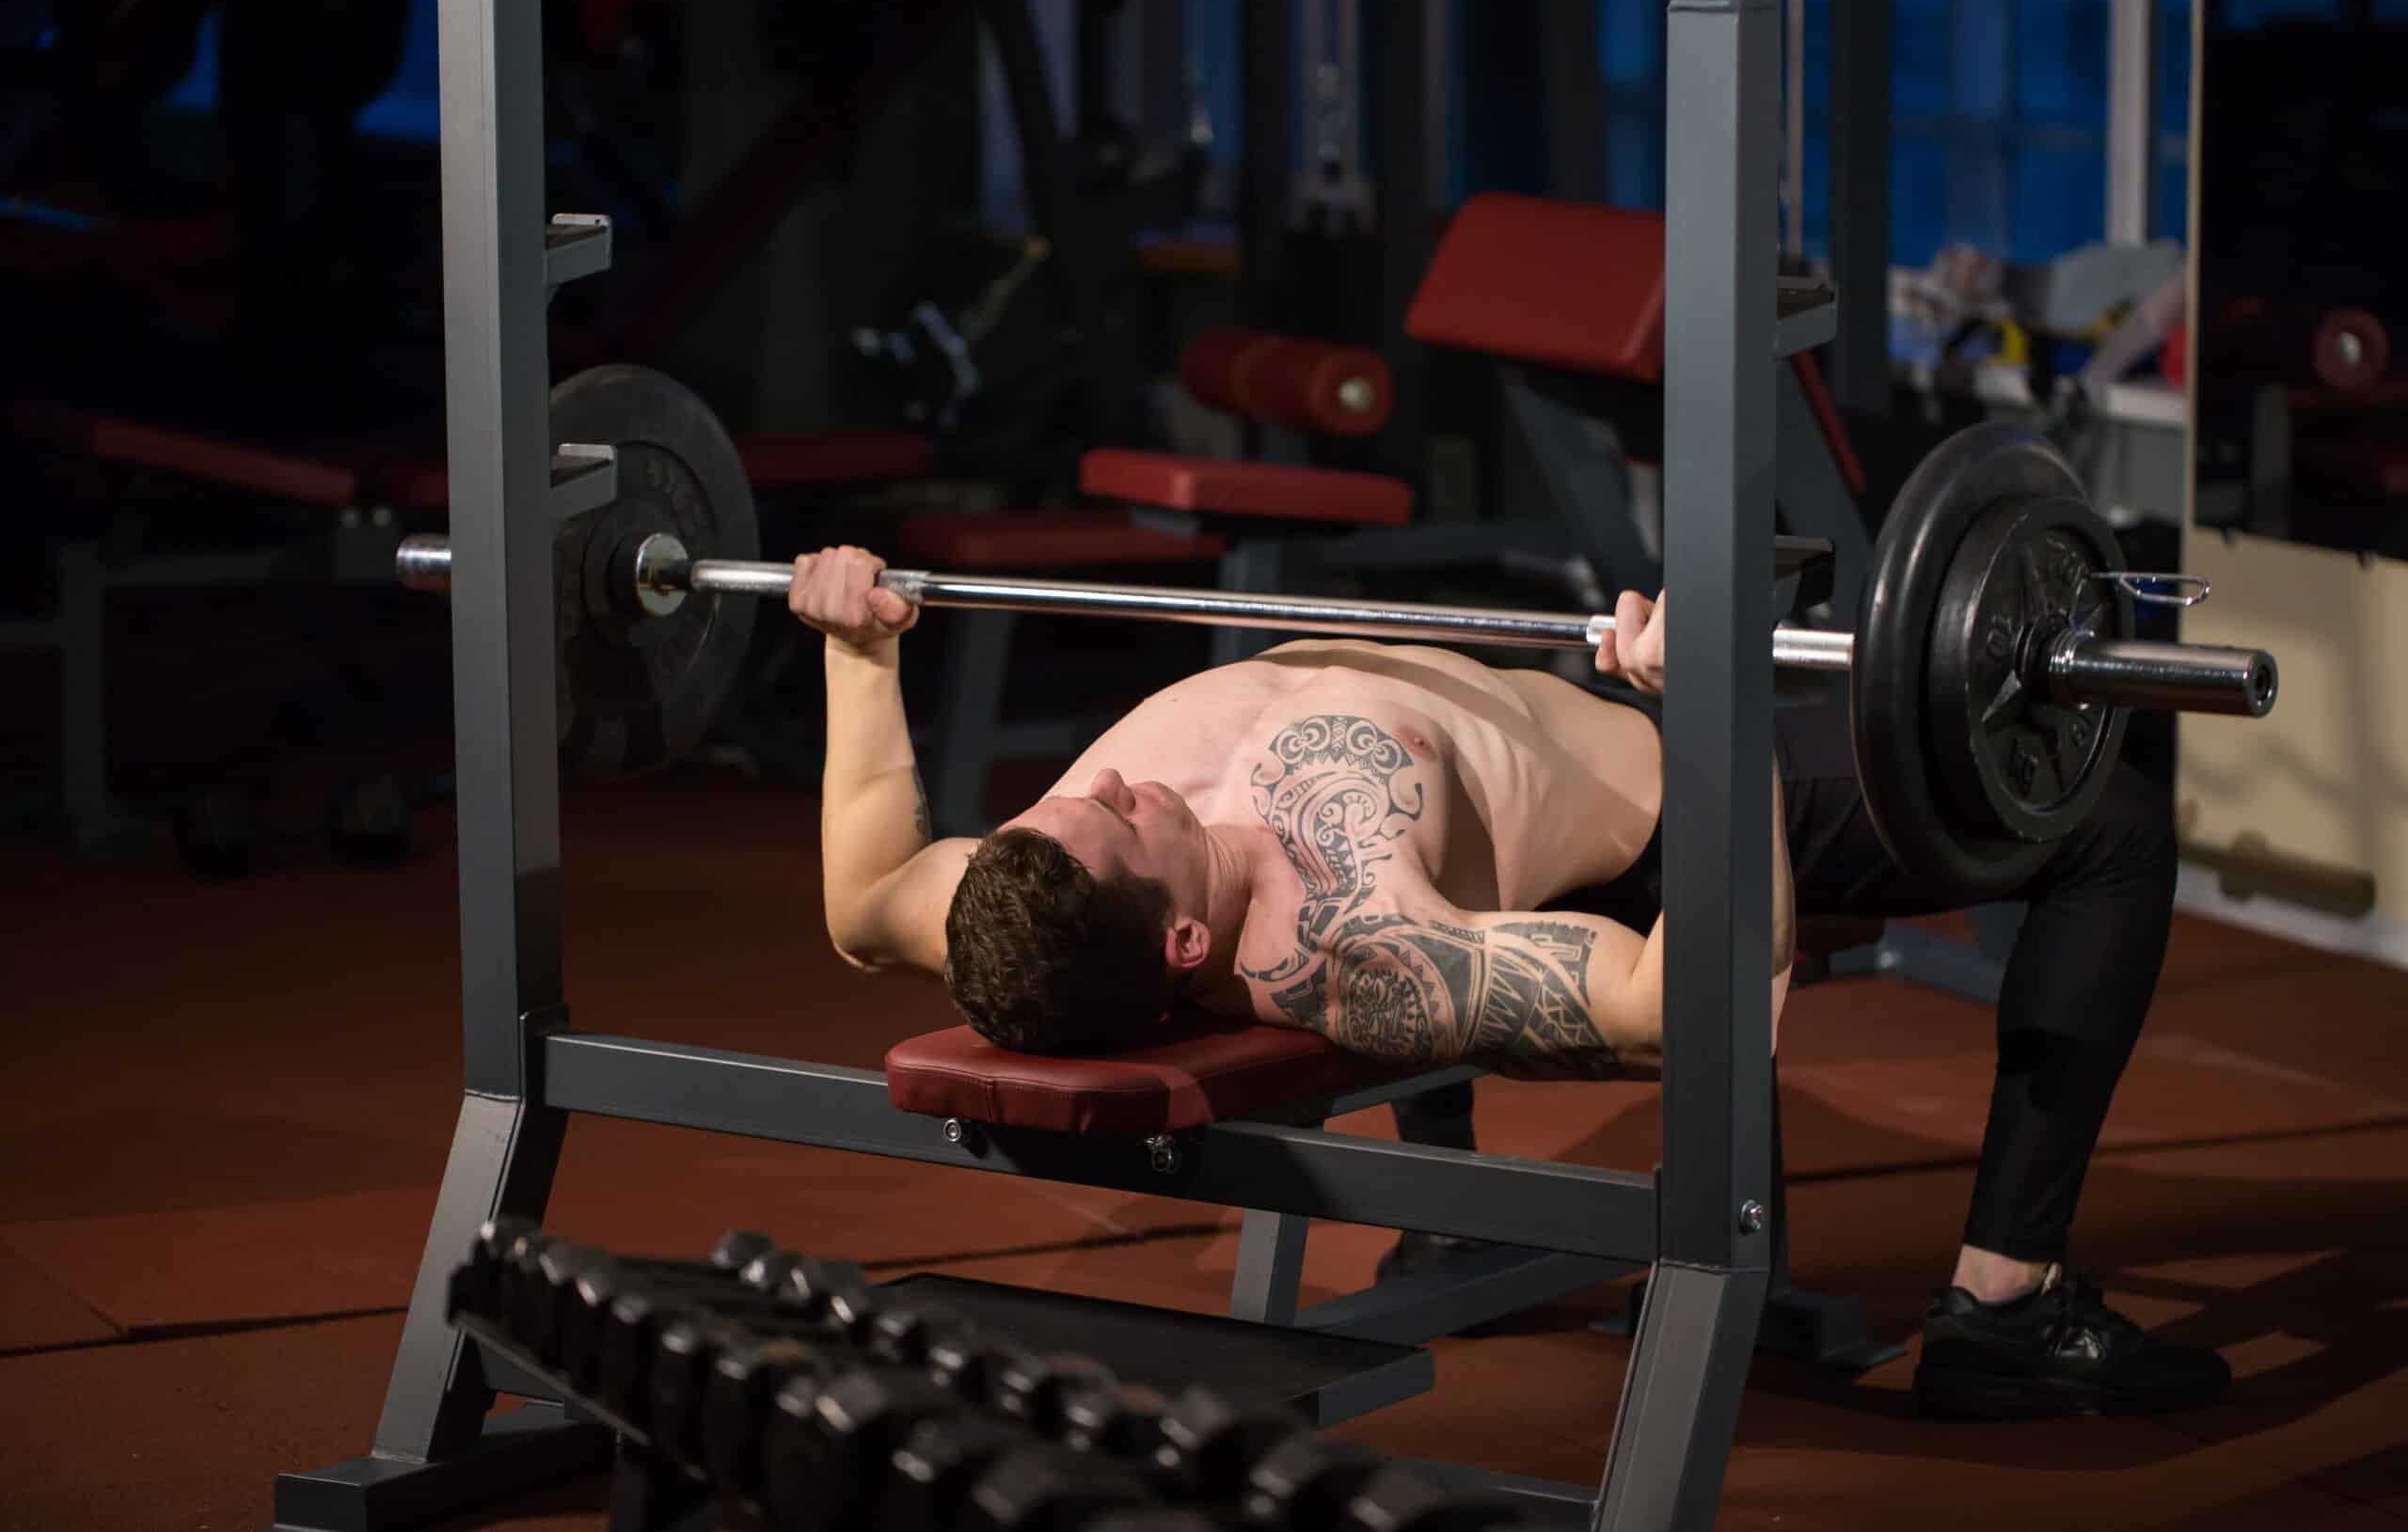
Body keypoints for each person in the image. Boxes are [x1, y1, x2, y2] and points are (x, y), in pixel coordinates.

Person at [798, 545, 2229, 1421]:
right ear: (1181, 945)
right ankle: (2006, 1304)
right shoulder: (1362, 947)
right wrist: (1715, 728)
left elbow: (867, 901)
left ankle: (1460, 1240)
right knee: (2109, 825)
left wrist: (859, 654)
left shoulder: (1029, 888)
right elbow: (1693, 1013)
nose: (1107, 781)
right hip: (1672, 802)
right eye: (1120, 816)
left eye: (1064, 801)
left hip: (1534, 704)